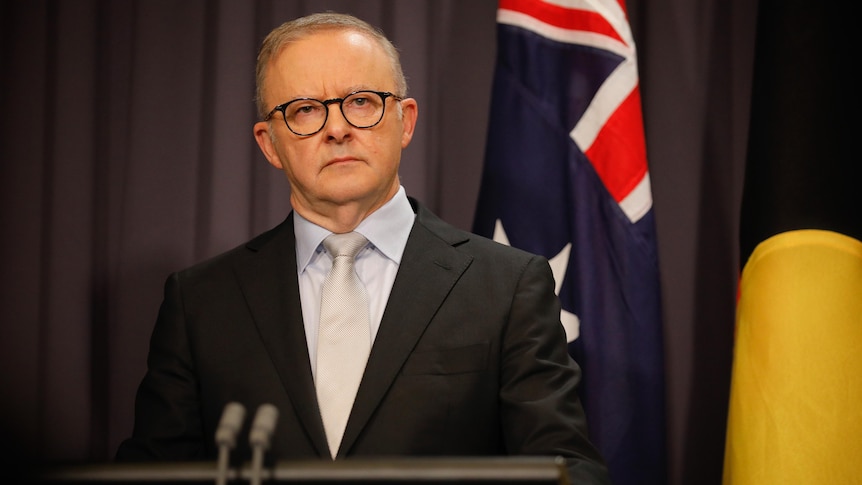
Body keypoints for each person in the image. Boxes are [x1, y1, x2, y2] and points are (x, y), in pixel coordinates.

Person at [116, 12, 611, 484]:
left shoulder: (507, 285)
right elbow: (156, 473)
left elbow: (564, 465)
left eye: (361, 102)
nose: (337, 129)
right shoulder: (201, 300)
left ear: (406, 121)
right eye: (305, 109)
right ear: (269, 144)